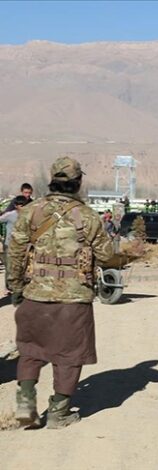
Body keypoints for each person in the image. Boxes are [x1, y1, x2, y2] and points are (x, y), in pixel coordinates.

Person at [8, 157, 137, 429]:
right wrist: (128, 258)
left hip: (35, 295)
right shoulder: (88, 216)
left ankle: (25, 412)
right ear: (78, 183)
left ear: (51, 180)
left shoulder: (30, 211)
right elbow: (104, 255)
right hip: (73, 300)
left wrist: (16, 287)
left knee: (30, 353)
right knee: (69, 356)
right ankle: (59, 413)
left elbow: (16, 252)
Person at [0, 196, 31, 292]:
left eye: (24, 205)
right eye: (21, 205)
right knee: (10, 266)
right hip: (9, 244)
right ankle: (8, 286)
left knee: (23, 266)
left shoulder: (29, 215)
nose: (23, 207)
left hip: (24, 245)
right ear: (16, 206)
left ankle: (20, 286)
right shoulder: (10, 215)